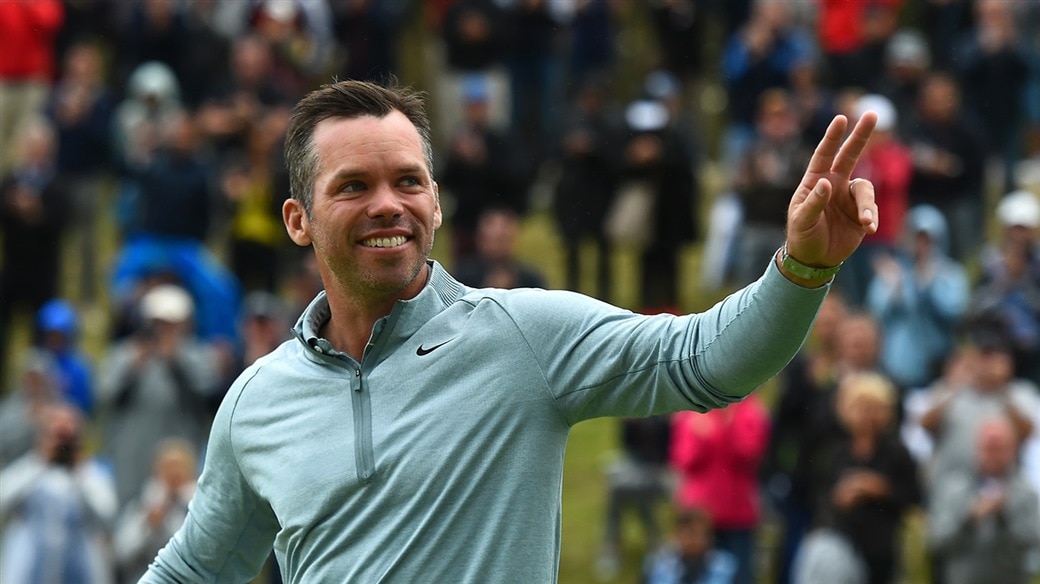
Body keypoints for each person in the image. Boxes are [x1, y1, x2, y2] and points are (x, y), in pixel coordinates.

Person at [140, 79, 881, 582]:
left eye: (408, 181)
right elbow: (195, 571)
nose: (388, 205)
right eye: (353, 186)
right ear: (298, 220)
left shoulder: (524, 336)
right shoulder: (258, 399)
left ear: (436, 202)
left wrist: (802, 268)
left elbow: (708, 361)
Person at [0, 402, 118, 584]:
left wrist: (79, 468)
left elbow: (108, 512)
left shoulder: (91, 474)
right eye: (57, 435)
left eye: (67, 437)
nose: (62, 445)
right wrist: (42, 460)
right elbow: (4, 498)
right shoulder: (29, 469)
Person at [927, 415, 1040, 584]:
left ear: (1013, 450)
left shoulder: (1025, 490)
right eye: (989, 448)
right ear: (977, 448)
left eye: (999, 448)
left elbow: (1034, 540)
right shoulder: (953, 487)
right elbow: (936, 541)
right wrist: (969, 518)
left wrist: (1005, 515)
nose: (993, 455)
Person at [641, 506, 738, 584]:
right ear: (677, 534)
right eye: (687, 533)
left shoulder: (726, 566)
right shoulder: (659, 565)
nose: (691, 539)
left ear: (709, 537)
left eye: (695, 533)